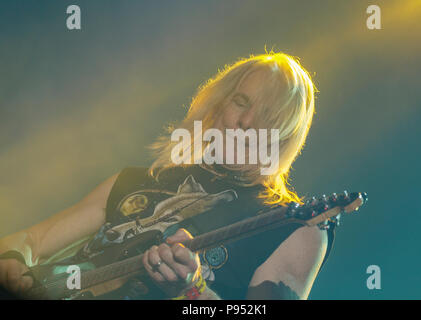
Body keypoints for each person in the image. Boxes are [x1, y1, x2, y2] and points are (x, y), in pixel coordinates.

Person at [0, 52, 333, 300]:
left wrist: (192, 290)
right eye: (240, 102)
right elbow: (29, 241)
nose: (244, 121)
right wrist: (12, 261)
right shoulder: (136, 180)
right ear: (218, 105)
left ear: (285, 137)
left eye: (266, 115)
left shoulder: (295, 226)